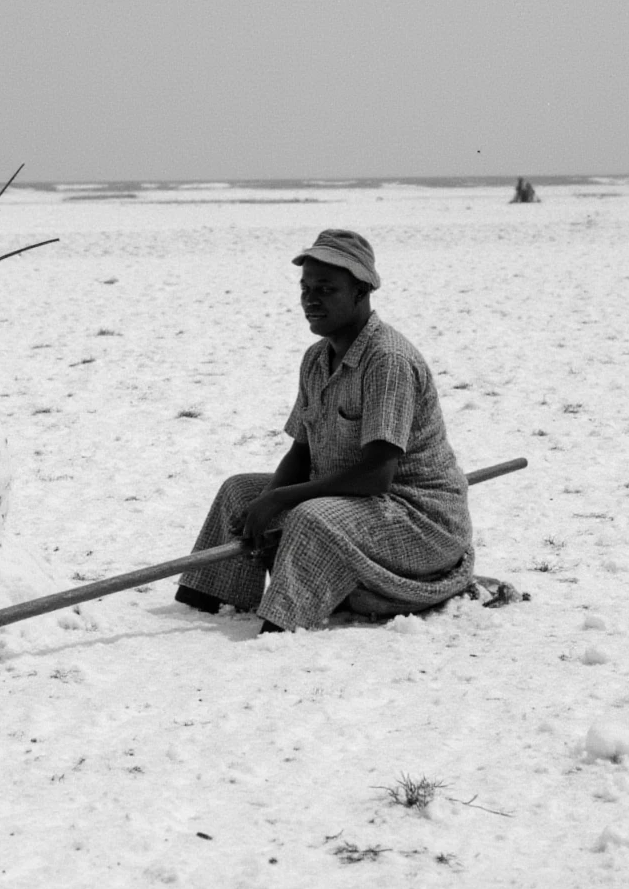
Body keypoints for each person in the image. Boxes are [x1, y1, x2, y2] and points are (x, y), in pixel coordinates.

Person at [174, 229, 474, 633]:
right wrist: (265, 502)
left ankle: (280, 626)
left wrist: (282, 499)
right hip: (359, 504)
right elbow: (302, 452)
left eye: (326, 289)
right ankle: (213, 603)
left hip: (417, 517)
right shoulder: (317, 358)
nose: (310, 300)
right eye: (305, 288)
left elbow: (376, 476)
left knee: (312, 516)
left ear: (361, 292)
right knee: (239, 492)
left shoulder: (387, 360)